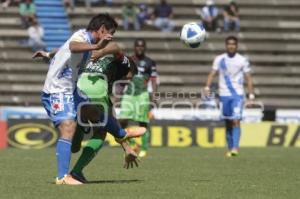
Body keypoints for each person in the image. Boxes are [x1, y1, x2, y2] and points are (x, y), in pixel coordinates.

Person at [35, 14, 119, 185]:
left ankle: (123, 135)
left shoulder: (85, 41)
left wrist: (49, 54)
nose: (111, 37)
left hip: (71, 88)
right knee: (68, 126)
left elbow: (65, 48)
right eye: (110, 33)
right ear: (102, 29)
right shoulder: (82, 37)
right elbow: (72, 46)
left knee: (94, 111)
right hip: (57, 89)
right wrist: (97, 45)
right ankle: (62, 177)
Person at [69, 43, 143, 182]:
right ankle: (76, 172)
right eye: (130, 77)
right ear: (130, 70)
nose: (128, 80)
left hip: (76, 90)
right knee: (101, 131)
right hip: (96, 92)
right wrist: (126, 148)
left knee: (74, 147)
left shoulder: (89, 57)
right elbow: (116, 46)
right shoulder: (122, 64)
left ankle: (79, 127)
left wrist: (49, 55)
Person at [204, 36, 255, 157]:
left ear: (237, 46)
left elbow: (248, 78)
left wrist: (251, 95)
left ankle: (235, 148)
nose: (231, 46)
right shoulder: (219, 59)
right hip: (223, 95)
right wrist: (207, 87)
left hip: (237, 95)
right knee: (227, 123)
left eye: (233, 44)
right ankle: (230, 148)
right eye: (229, 44)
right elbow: (212, 73)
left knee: (236, 120)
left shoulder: (242, 60)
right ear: (226, 45)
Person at [119, 38, 158, 158]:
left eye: (142, 46)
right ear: (134, 47)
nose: (139, 48)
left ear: (144, 47)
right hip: (129, 93)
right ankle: (132, 143)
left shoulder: (150, 62)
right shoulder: (129, 60)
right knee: (122, 120)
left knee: (143, 122)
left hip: (142, 94)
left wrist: (155, 95)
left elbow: (154, 80)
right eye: (137, 46)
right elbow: (121, 76)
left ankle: (144, 148)